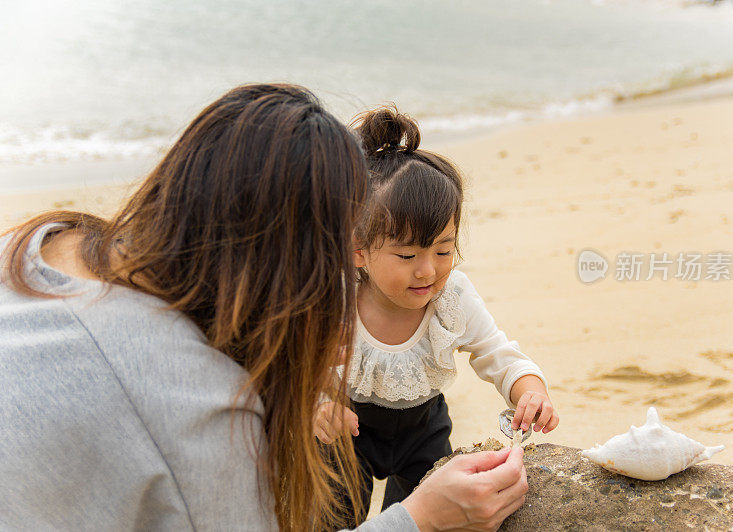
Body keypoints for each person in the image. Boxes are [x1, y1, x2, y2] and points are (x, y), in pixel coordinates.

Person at [0, 84, 528, 531]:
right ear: (287, 261)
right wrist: (420, 518)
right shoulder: (201, 411)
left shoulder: (39, 244)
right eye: (337, 257)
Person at [312, 107, 559, 523]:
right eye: (407, 255)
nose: (428, 269)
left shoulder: (452, 298)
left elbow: (498, 354)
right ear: (358, 250)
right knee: (333, 516)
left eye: (443, 250)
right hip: (346, 431)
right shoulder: (336, 297)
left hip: (423, 430)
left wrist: (531, 392)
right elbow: (298, 364)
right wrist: (317, 402)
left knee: (428, 516)